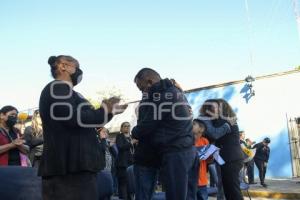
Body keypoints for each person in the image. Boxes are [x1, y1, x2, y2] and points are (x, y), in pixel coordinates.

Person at [39, 55, 125, 200]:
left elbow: (92, 121)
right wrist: (104, 110)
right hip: (67, 168)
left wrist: (108, 111)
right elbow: (73, 118)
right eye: (77, 67)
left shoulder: (74, 94)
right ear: (63, 66)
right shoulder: (57, 87)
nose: (80, 72)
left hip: (79, 167)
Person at [132, 68, 198, 200]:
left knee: (176, 196)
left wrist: (134, 132)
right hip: (187, 150)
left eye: (142, 88)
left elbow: (146, 127)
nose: (143, 92)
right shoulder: (175, 91)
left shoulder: (161, 96)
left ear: (150, 82)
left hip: (175, 153)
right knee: (188, 195)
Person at [199, 99, 244, 200]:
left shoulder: (224, 121)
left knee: (232, 190)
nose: (212, 110)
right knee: (229, 189)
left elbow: (214, 134)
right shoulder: (226, 120)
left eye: (216, 107)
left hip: (230, 159)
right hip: (229, 159)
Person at [133, 100, 160, 200]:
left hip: (151, 161)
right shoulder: (146, 122)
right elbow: (137, 132)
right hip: (145, 161)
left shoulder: (149, 121)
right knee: (145, 195)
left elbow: (137, 132)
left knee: (147, 194)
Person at [116, 122, 136, 200]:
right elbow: (121, 147)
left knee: (130, 184)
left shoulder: (131, 137)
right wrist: (131, 143)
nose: (127, 127)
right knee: (123, 184)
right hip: (122, 164)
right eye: (125, 126)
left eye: (128, 126)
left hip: (131, 163)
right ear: (121, 128)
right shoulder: (119, 136)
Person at [193, 119, 209, 200]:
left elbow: (209, 160)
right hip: (190, 180)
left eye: (194, 124)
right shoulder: (188, 140)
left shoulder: (205, 141)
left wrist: (213, 154)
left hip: (202, 180)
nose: (200, 135)